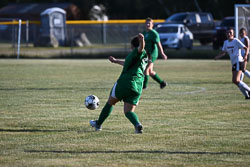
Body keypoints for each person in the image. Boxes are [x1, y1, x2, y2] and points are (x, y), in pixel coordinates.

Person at [90, 33, 148, 133]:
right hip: (138, 86)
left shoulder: (137, 51)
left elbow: (141, 49)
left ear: (132, 45)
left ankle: (98, 124)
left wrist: (142, 40)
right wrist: (116, 61)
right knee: (128, 111)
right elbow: (128, 63)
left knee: (110, 103)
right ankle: (137, 125)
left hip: (126, 82)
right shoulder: (143, 58)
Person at [215, 28, 250, 99]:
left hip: (239, 61)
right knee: (236, 81)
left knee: (236, 80)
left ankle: (249, 91)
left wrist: (246, 56)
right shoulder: (226, 42)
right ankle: (247, 96)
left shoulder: (236, 41)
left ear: (233, 34)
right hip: (234, 63)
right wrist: (217, 57)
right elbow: (223, 52)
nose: (229, 34)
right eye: (227, 33)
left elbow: (246, 48)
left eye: (230, 32)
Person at [142, 17, 168, 89]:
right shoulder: (144, 33)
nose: (147, 24)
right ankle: (162, 83)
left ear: (152, 24)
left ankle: (144, 86)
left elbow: (158, 44)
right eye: (146, 23)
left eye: (149, 23)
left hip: (152, 54)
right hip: (146, 54)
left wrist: (162, 53)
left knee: (146, 69)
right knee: (150, 71)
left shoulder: (154, 33)